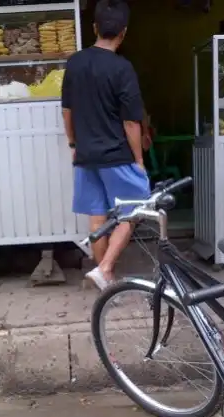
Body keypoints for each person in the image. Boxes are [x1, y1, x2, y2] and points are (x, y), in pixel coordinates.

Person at [61, 0, 149, 290]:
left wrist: (74, 143)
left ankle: (104, 279)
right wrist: (138, 159)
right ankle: (107, 267)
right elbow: (131, 123)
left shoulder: (74, 63)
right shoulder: (123, 68)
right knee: (134, 211)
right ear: (123, 32)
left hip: (86, 155)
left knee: (97, 217)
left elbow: (67, 111)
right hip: (116, 155)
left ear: (94, 27)